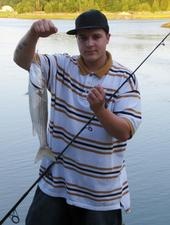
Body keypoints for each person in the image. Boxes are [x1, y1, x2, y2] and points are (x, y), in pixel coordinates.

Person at [13, 9, 141, 225]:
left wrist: (101, 111)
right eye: (83, 37)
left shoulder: (125, 78)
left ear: (108, 38)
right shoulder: (61, 65)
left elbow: (125, 131)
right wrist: (33, 33)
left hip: (100, 196)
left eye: (96, 37)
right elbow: (22, 59)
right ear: (76, 40)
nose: (89, 43)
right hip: (54, 184)